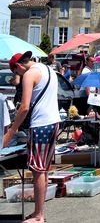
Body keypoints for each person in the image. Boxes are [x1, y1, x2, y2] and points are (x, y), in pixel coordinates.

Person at [3, 51, 60, 223]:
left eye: (16, 72)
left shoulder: (29, 74)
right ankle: (39, 212)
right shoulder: (48, 69)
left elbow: (25, 106)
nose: (17, 76)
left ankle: (38, 215)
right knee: (43, 169)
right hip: (54, 122)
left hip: (41, 125)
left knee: (37, 170)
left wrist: (11, 131)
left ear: (19, 66)